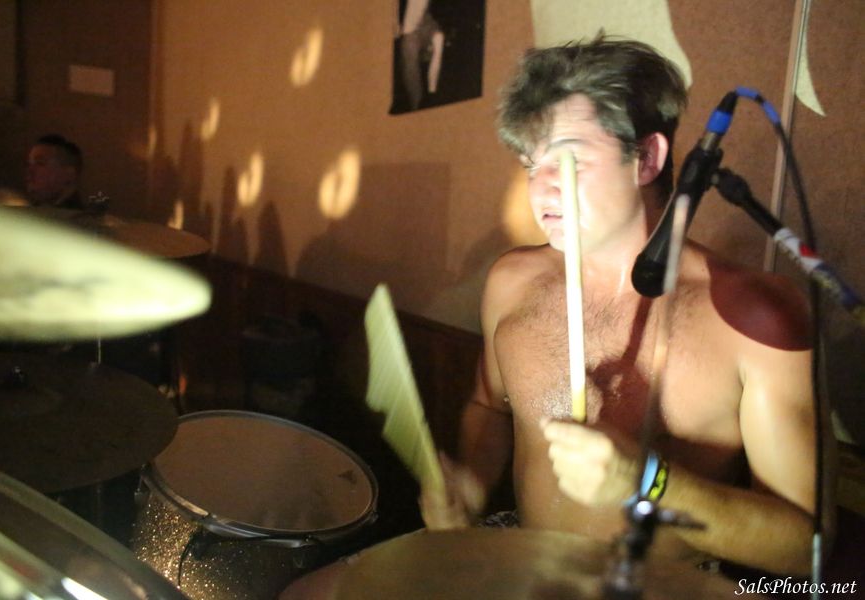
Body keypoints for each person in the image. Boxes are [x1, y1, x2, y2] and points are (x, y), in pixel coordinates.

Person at [281, 36, 823, 598]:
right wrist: (474, 480)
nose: (539, 188)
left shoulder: (754, 316)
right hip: (520, 550)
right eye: (530, 164)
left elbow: (803, 547)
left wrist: (651, 482)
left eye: (567, 160)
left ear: (646, 158)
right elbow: (488, 406)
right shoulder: (512, 282)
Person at [25, 134, 84, 209]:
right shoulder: (33, 211)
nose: (29, 171)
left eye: (40, 163)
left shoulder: (77, 215)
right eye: (29, 164)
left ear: (69, 175)